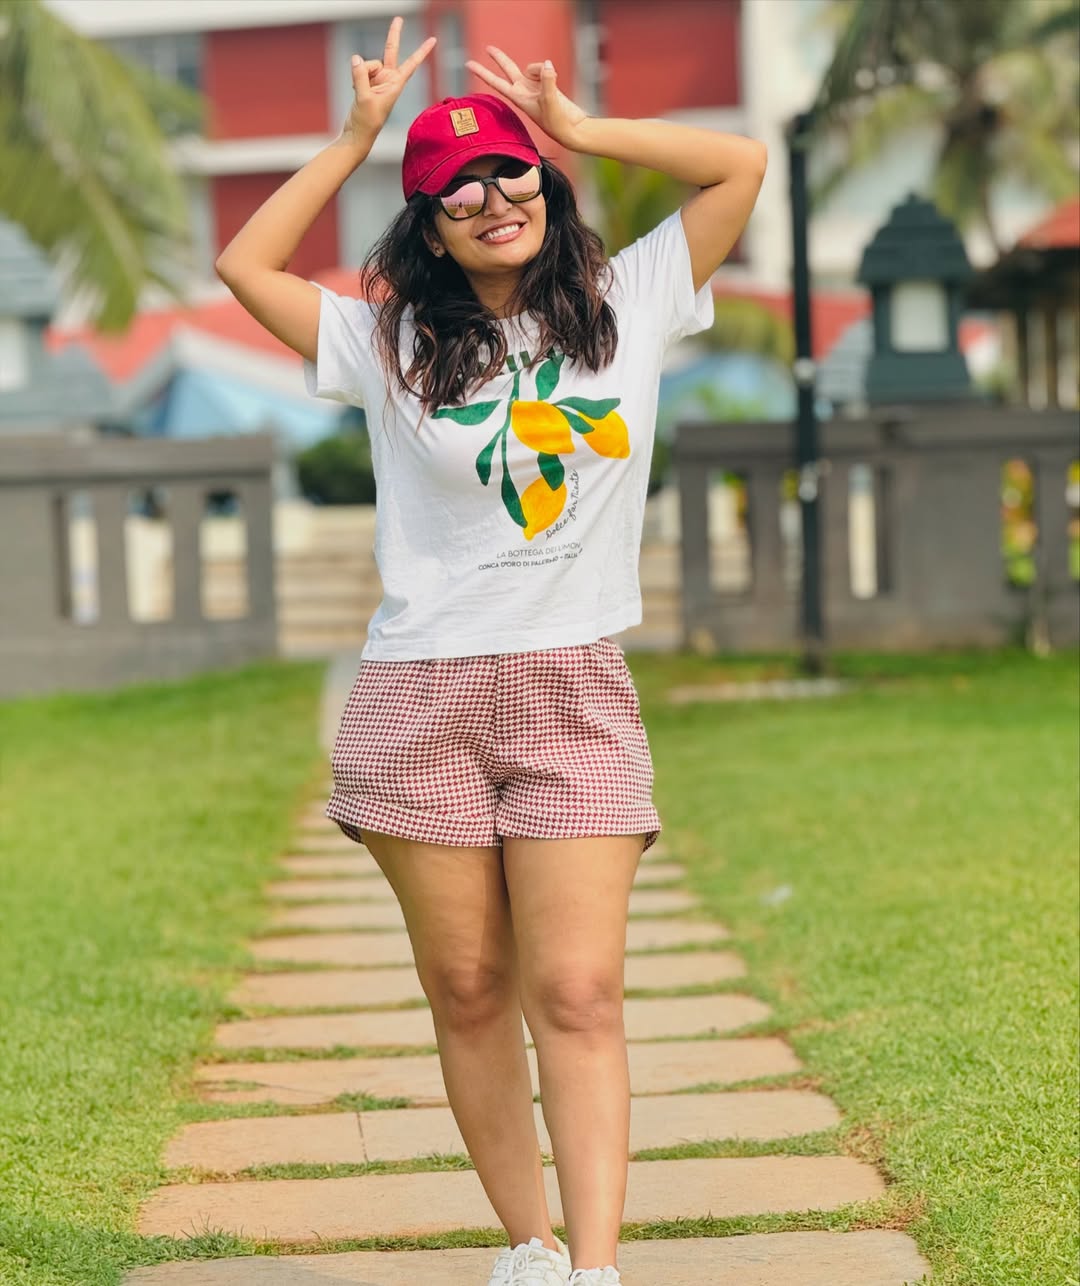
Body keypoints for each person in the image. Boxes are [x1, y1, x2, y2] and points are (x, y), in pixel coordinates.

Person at [216, 17, 766, 1285]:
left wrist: (578, 122)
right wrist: (351, 139)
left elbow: (737, 163)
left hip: (571, 682)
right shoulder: (387, 341)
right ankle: (528, 1245)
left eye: (510, 170)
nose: (489, 194)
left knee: (576, 990)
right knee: (469, 987)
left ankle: (598, 1267)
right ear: (428, 223)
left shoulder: (631, 299)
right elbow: (243, 259)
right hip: (420, 693)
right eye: (452, 186)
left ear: (544, 185)